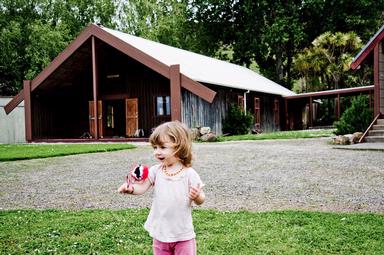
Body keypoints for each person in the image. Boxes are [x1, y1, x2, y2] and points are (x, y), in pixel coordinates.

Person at [118, 121, 205, 255]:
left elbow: (201, 199)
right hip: (161, 233)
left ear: (180, 147)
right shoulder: (156, 171)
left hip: (183, 234)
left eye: (163, 147)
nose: (157, 152)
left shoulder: (189, 173)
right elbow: (142, 187)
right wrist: (131, 189)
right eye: (155, 147)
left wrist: (197, 196)